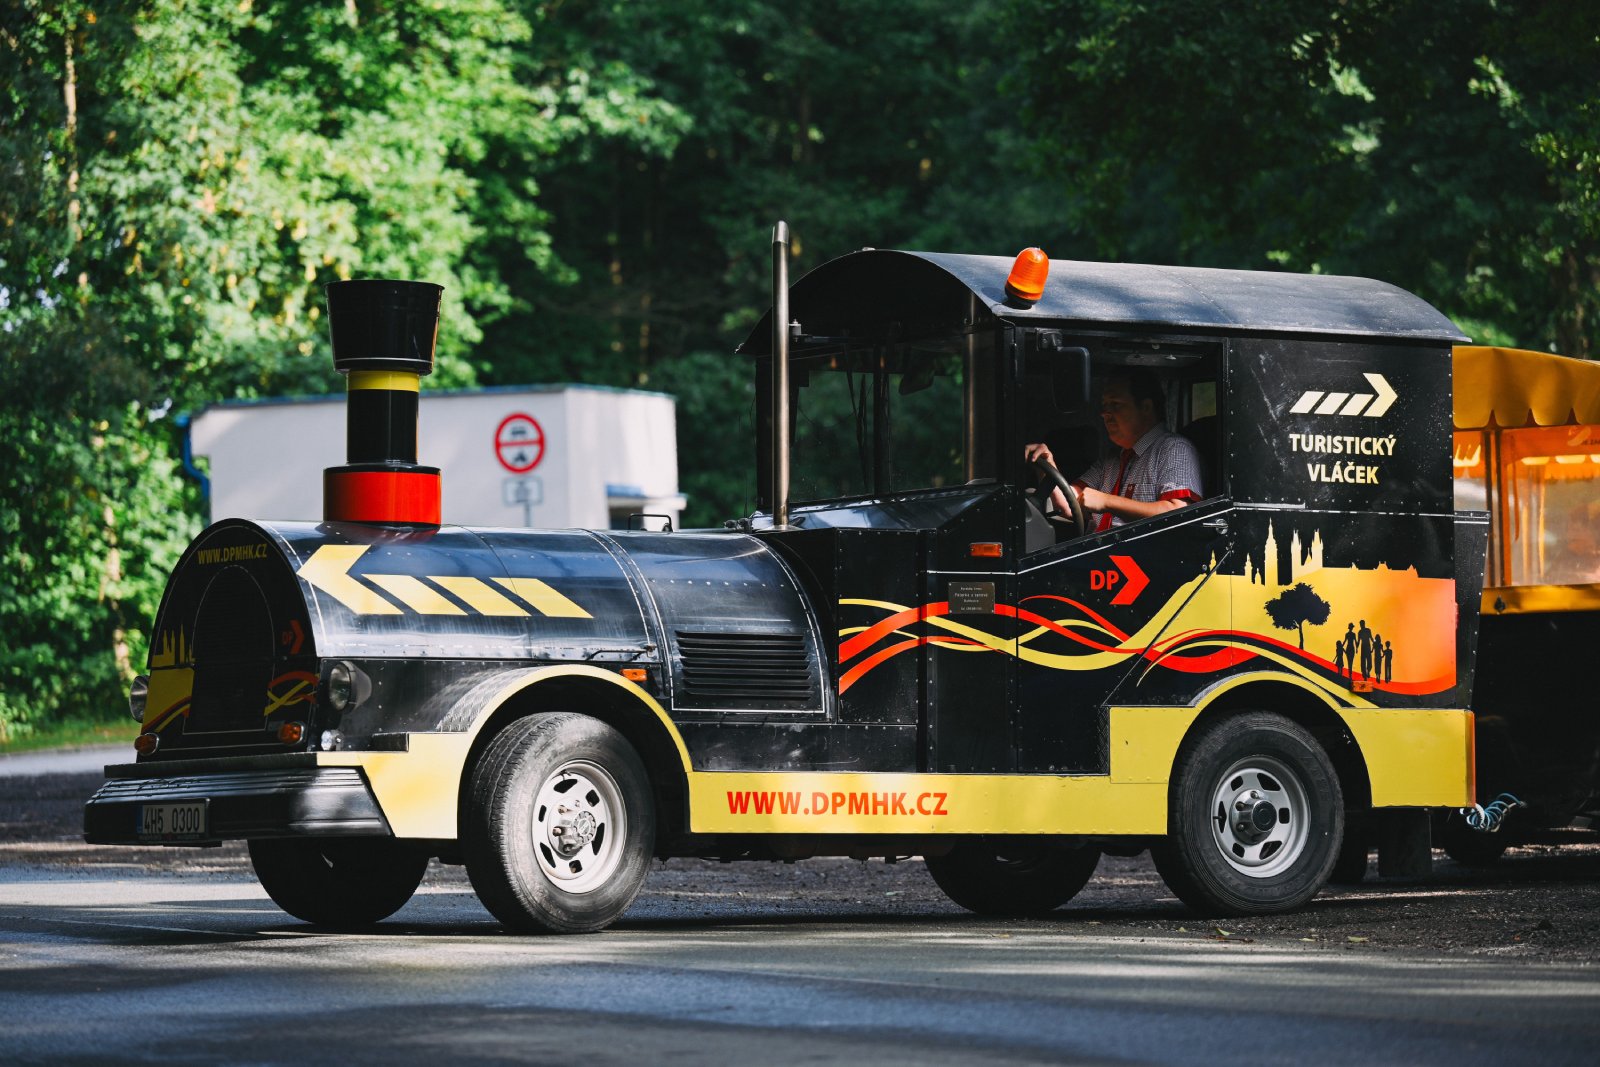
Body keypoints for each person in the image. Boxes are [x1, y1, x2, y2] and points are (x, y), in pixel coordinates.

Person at [1025, 368, 1203, 532]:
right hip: (1097, 559)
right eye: (1104, 405)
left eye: (1115, 404)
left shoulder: (1173, 449)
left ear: (1146, 408)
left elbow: (1180, 514)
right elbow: (1067, 504)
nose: (1105, 413)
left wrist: (1107, 502)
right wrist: (1047, 465)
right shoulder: (1111, 460)